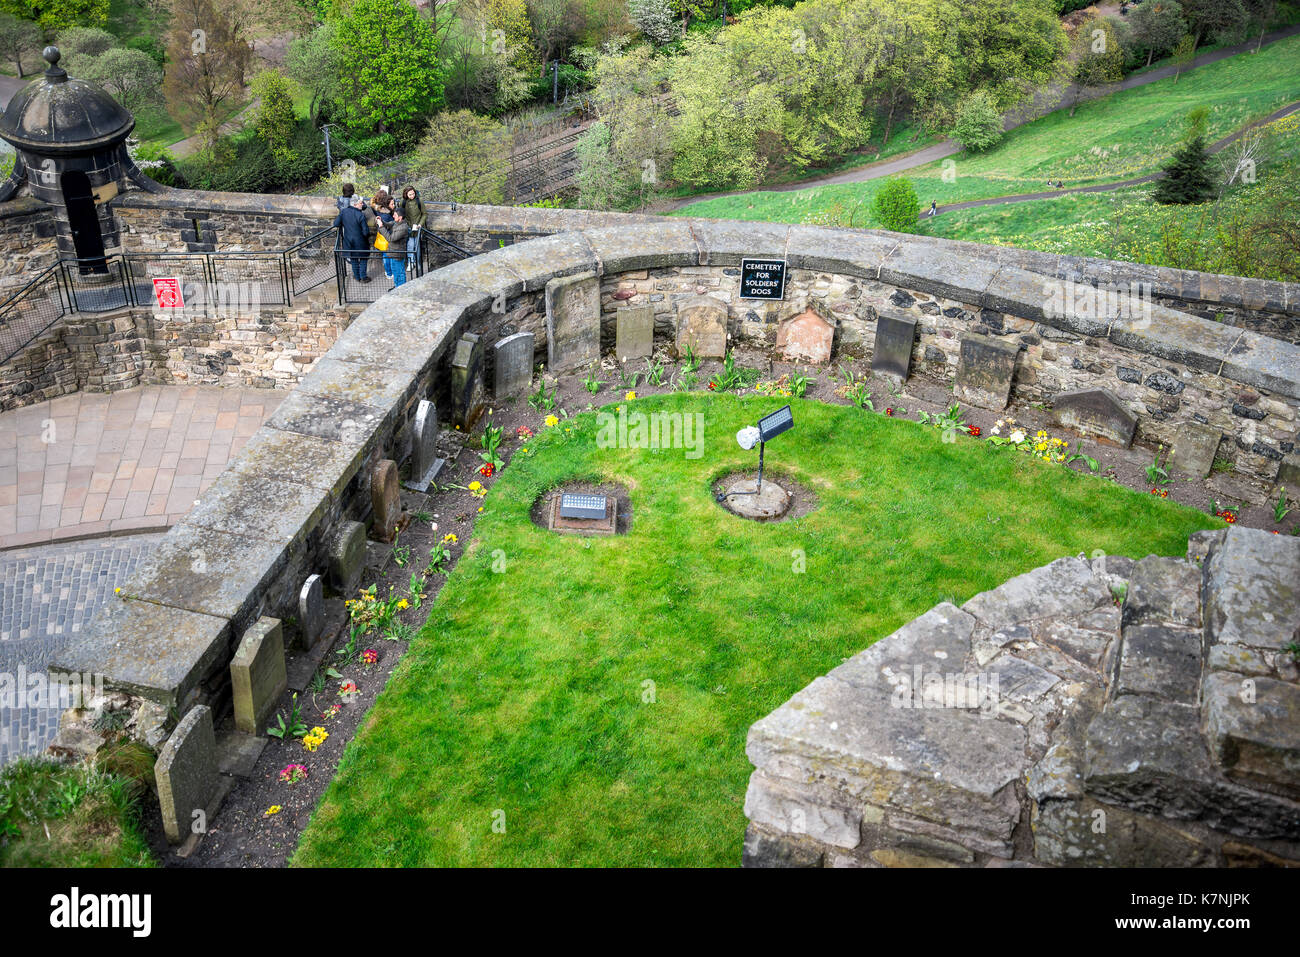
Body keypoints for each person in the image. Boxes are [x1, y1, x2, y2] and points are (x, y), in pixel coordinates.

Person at [333, 195, 371, 283]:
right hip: (361, 242)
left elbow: (336, 224)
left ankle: (357, 277)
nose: (362, 205)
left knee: (354, 259)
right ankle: (363, 277)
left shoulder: (344, 212)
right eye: (360, 203)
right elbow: (365, 231)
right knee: (363, 259)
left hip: (349, 241)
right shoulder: (360, 215)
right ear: (355, 204)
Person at [398, 185, 426, 273]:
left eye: (413, 194)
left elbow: (424, 214)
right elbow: (401, 214)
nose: (412, 196)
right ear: (406, 194)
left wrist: (420, 224)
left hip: (417, 227)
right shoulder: (402, 202)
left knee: (417, 246)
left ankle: (418, 263)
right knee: (410, 246)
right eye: (410, 194)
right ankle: (411, 262)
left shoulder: (419, 201)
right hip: (408, 227)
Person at [380, 209, 410, 287]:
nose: (393, 216)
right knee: (396, 272)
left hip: (397, 254)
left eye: (395, 215)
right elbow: (389, 224)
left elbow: (391, 238)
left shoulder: (403, 228)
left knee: (399, 273)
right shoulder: (397, 222)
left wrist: (381, 227)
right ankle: (397, 286)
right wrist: (381, 221)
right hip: (393, 252)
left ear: (400, 217)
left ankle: (401, 290)